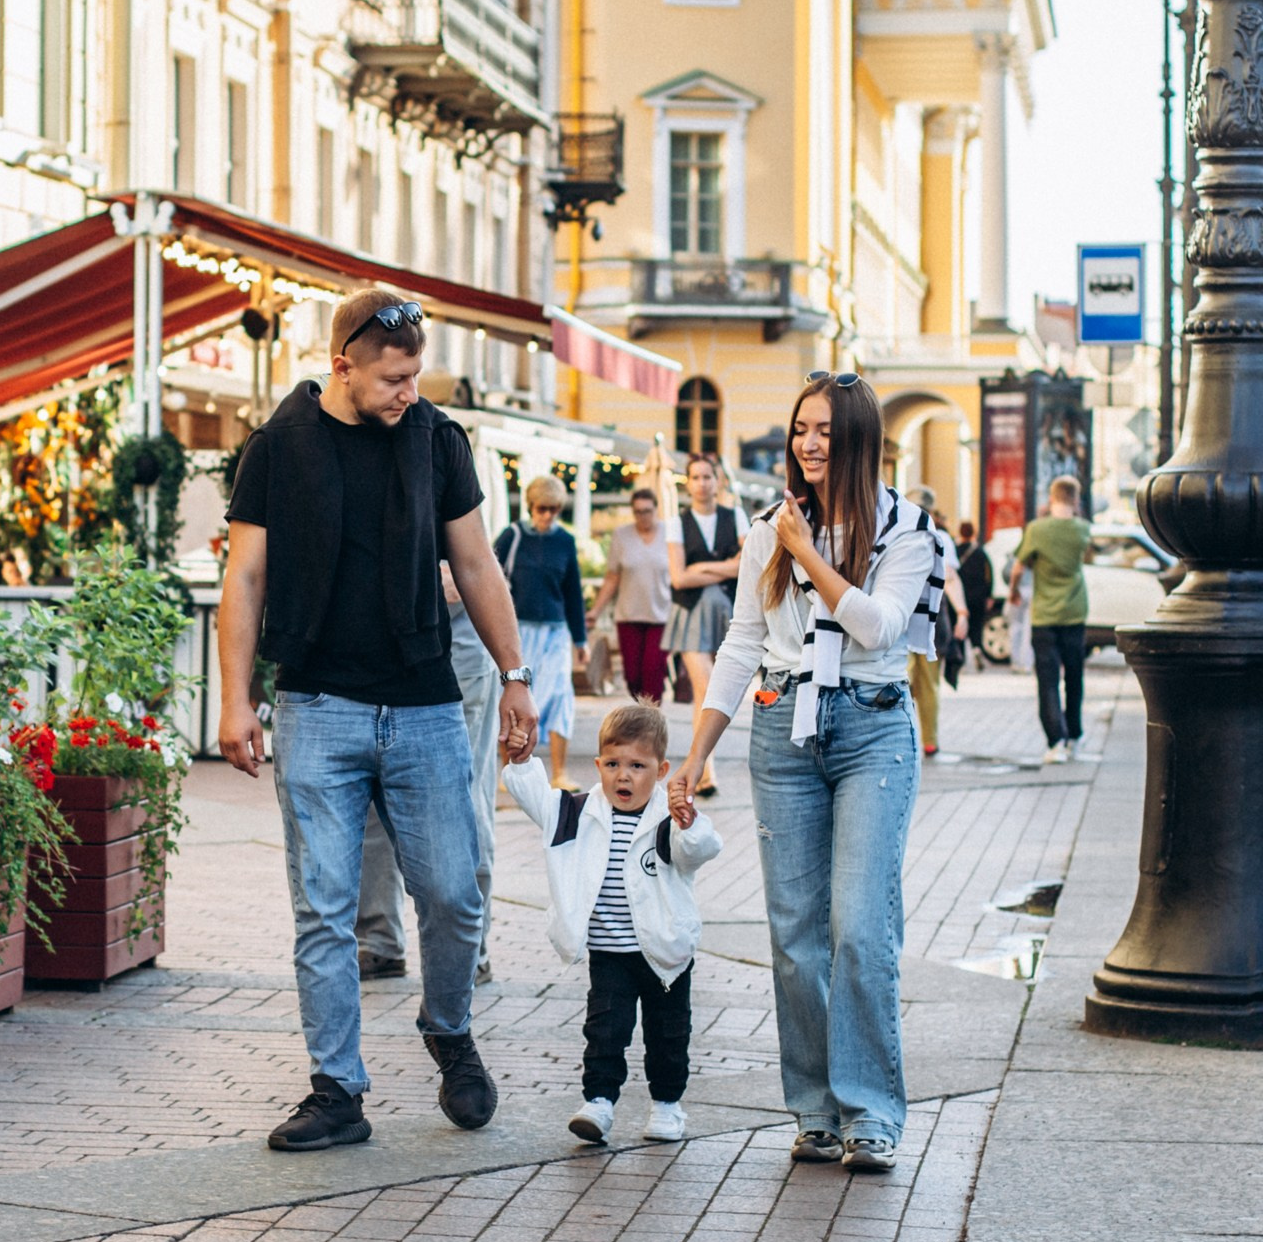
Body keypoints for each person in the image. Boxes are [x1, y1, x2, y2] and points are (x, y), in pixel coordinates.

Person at [219, 288, 537, 1153]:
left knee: (453, 889)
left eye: (415, 375)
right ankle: (337, 1090)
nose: (408, 392)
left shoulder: (437, 441)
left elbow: (475, 564)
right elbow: (245, 579)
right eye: (394, 379)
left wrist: (515, 677)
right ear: (342, 366)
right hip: (317, 703)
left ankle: (448, 1028)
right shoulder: (278, 447)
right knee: (323, 908)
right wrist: (235, 697)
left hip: (427, 702)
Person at [670, 372, 942, 1175]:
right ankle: (815, 1112)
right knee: (794, 938)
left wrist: (804, 554)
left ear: (857, 438)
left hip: (873, 729)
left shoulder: (907, 530)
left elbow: (876, 624)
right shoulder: (768, 528)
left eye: (824, 429)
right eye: (800, 429)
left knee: (859, 928)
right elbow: (741, 644)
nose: (809, 443)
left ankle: (872, 1115)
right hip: (784, 729)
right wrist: (697, 753)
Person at [503, 702, 720, 1146]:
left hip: (665, 953)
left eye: (638, 766)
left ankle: (667, 1106)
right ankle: (598, 1102)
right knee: (604, 1030)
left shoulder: (667, 819)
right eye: (614, 764)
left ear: (660, 771)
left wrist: (688, 822)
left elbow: (699, 850)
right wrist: (522, 762)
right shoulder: (578, 813)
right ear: (598, 765)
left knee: (668, 1034)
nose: (624, 776)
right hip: (610, 954)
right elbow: (537, 800)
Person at [356, 564, 505, 985]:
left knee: (461, 798)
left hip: (457, 648)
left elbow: (477, 568)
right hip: (377, 647)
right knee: (371, 792)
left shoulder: (463, 495)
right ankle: (379, 942)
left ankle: (469, 948)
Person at [491, 476, 587, 792]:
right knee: (515, 695)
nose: (548, 515)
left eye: (555, 509)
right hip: (520, 631)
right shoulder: (513, 536)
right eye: (543, 508)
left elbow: (572, 591)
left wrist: (580, 639)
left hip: (556, 630)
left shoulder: (565, 541)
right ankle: (510, 769)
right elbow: (487, 577)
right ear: (531, 506)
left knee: (561, 696)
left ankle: (559, 772)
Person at [665, 454, 746, 796]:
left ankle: (702, 767)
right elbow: (679, 578)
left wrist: (703, 568)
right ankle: (707, 771)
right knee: (708, 687)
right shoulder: (676, 522)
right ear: (688, 483)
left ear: (718, 480)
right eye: (695, 477)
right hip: (691, 614)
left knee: (707, 692)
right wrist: (724, 564)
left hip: (727, 611)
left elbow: (746, 566)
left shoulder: (735, 516)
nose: (702, 483)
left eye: (707, 476)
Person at [1013, 475, 1095, 765]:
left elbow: (1019, 567)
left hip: (1045, 615)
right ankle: (1075, 735)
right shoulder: (1083, 529)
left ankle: (1055, 742)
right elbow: (1087, 553)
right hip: (1074, 612)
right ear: (1075, 499)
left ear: (1051, 497)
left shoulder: (1037, 529)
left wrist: (1013, 593)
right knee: (1074, 676)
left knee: (1047, 680)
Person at [589, 488, 672, 703]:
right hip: (628, 616)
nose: (643, 516)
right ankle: (645, 715)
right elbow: (612, 578)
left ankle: (652, 724)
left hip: (661, 617)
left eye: (647, 511)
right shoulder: (621, 535)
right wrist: (596, 611)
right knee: (632, 677)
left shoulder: (670, 533)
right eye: (638, 512)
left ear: (656, 509)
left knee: (652, 674)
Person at [903, 490, 968, 759]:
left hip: (900, 620)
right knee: (928, 684)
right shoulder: (940, 538)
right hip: (929, 620)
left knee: (900, 680)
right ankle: (929, 740)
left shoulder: (896, 531)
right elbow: (950, 578)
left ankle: (905, 737)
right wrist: (962, 613)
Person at [954, 521, 994, 667]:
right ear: (973, 533)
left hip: (960, 597)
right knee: (976, 626)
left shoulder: (955, 551)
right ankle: (977, 648)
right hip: (978, 596)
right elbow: (989, 575)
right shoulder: (980, 552)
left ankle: (960, 657)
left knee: (959, 627)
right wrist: (989, 595)